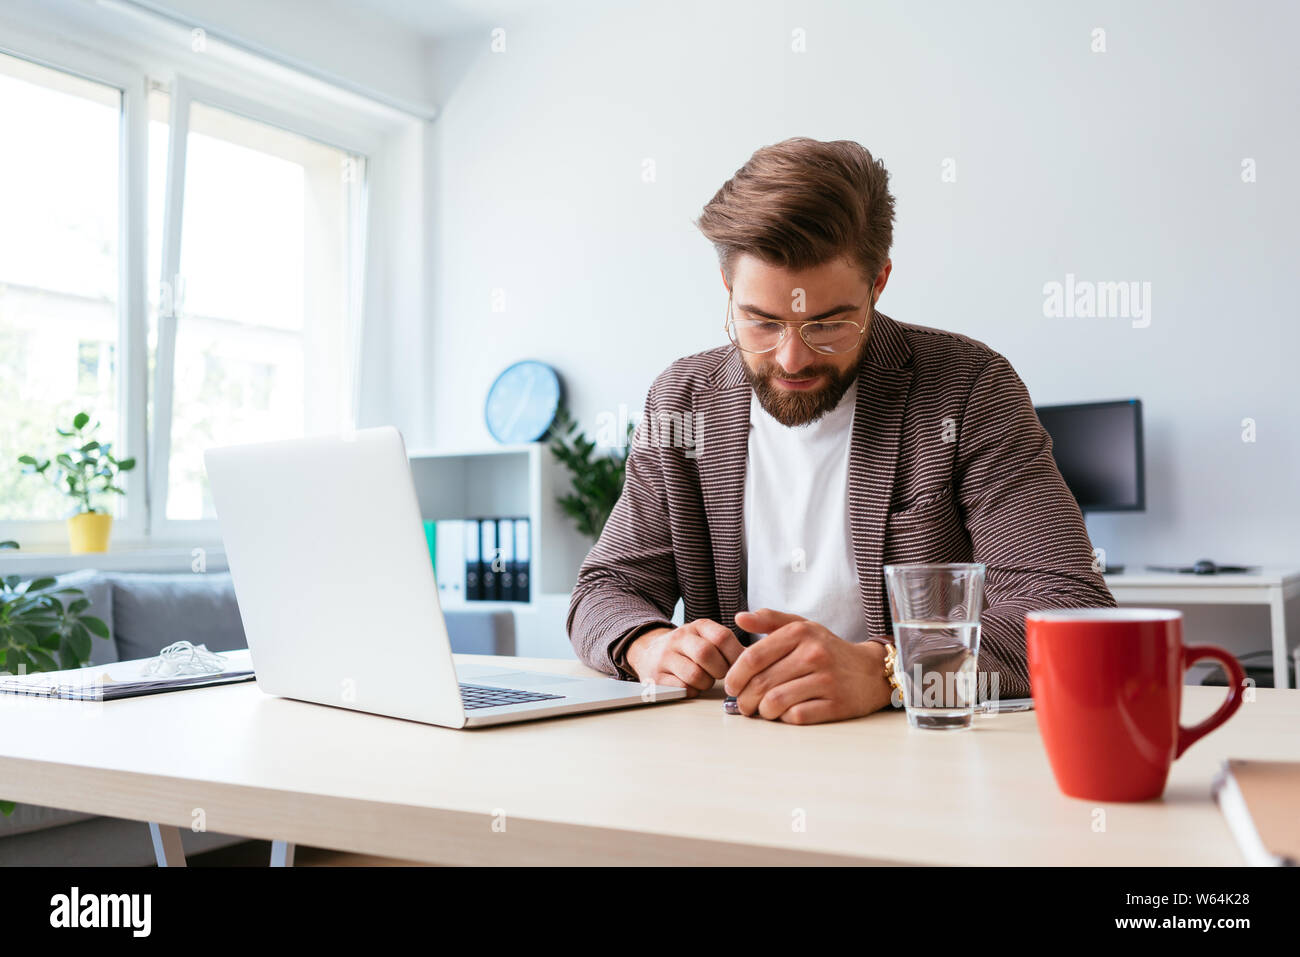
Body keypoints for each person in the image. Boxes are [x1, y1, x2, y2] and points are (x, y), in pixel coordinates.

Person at [566, 137, 1115, 725]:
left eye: (828, 324)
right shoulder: (682, 400)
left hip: (918, 759)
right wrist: (649, 645)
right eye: (762, 321)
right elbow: (607, 587)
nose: (793, 358)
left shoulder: (968, 386)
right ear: (729, 288)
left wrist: (890, 672)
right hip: (735, 752)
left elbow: (1069, 614)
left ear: (878, 284)